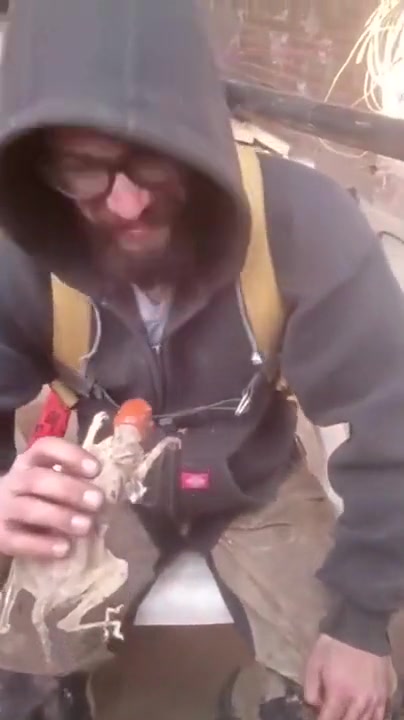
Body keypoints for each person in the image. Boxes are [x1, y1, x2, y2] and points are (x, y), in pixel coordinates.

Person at [0, 1, 403, 719]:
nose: (127, 204)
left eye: (152, 158)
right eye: (84, 169)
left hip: (257, 480)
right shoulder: (20, 245)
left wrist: (363, 623)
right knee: (13, 670)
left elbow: (393, 415)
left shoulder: (302, 222)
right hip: (99, 487)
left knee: (348, 692)